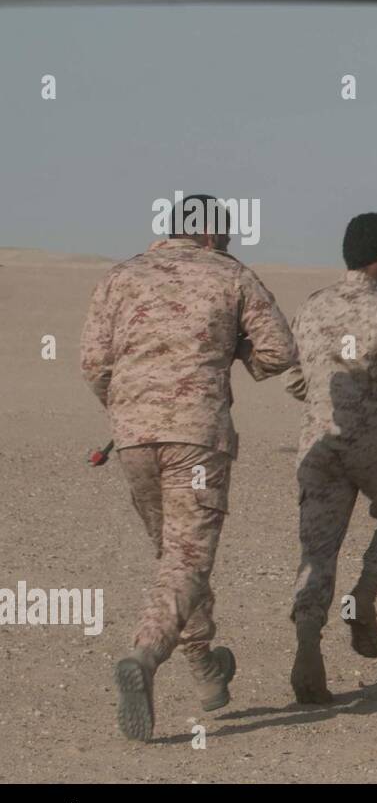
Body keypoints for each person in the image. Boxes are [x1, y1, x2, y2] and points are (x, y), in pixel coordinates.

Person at [79, 193, 296, 740]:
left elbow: (92, 362)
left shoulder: (121, 276)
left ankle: (204, 667)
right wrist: (233, 351)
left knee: (174, 556)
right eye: (225, 238)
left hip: (133, 440)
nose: (227, 246)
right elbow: (278, 354)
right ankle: (145, 657)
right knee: (187, 560)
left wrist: (129, 406)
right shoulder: (233, 275)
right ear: (209, 236)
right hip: (196, 440)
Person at [282, 213, 377, 704]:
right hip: (374, 444)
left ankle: (307, 644)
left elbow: (293, 379)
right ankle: (363, 594)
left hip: (318, 444)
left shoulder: (311, 306)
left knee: (317, 550)